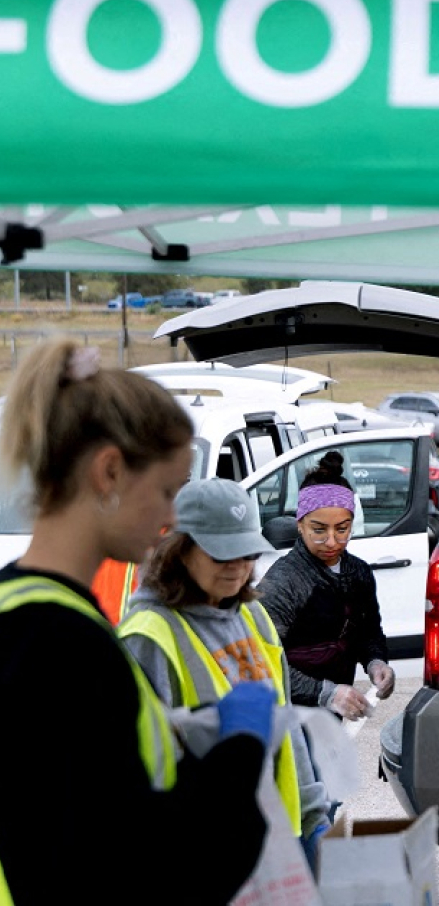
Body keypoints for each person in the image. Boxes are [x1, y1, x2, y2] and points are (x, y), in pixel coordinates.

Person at [0, 339, 272, 905]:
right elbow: (136, 869)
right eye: (168, 491)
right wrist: (239, 757)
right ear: (109, 472)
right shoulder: (63, 642)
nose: (174, 518)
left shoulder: (25, 609)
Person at [119, 478, 333, 873]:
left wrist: (313, 815)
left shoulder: (253, 616)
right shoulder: (148, 636)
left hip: (276, 846)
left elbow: (286, 727)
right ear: (180, 550)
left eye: (247, 553)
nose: (238, 567)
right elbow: (138, 777)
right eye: (222, 554)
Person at [257, 451, 395, 721]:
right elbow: (263, 662)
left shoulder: (358, 574)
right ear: (300, 525)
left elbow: (368, 631)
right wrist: (324, 693)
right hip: (286, 718)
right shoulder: (284, 582)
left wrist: (375, 662)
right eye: (318, 530)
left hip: (331, 719)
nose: (332, 541)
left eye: (342, 529)